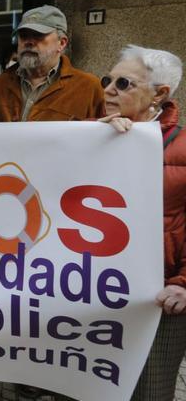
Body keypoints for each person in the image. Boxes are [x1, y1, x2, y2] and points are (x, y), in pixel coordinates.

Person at [95, 46, 185, 400]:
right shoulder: (89, 134)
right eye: (107, 80)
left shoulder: (181, 149)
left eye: (123, 83)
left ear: (160, 94)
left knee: (148, 390)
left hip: (158, 300)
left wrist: (183, 283)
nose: (108, 90)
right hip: (90, 290)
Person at [0, 5, 105, 121]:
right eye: (23, 36)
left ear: (61, 43)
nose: (29, 42)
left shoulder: (89, 88)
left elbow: (103, 137)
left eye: (38, 35)